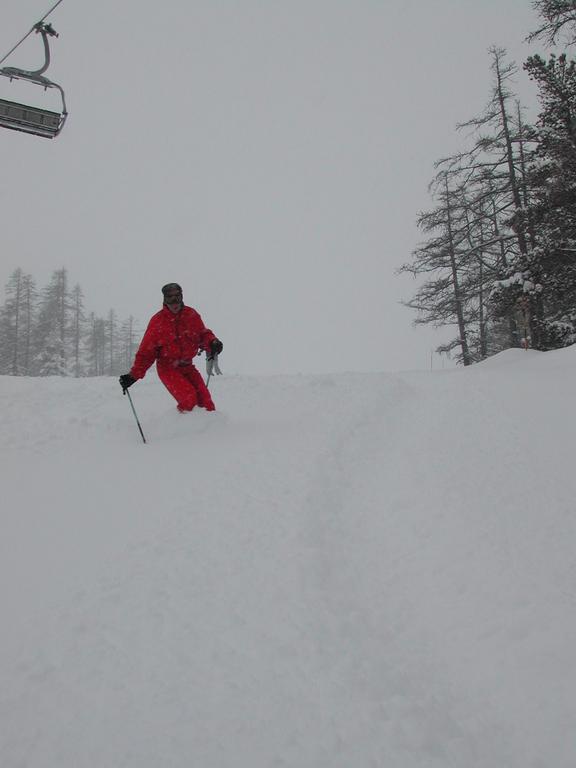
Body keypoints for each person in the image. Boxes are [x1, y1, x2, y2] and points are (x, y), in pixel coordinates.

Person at [119, 283, 223, 413]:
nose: (174, 302)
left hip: (188, 367)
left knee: (207, 404)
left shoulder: (191, 315)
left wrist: (212, 342)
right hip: (168, 368)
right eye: (170, 298)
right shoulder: (158, 322)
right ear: (164, 300)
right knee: (189, 400)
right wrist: (133, 376)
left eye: (177, 297)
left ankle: (208, 431)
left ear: (181, 297)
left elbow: (202, 335)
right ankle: (180, 429)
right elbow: (146, 353)